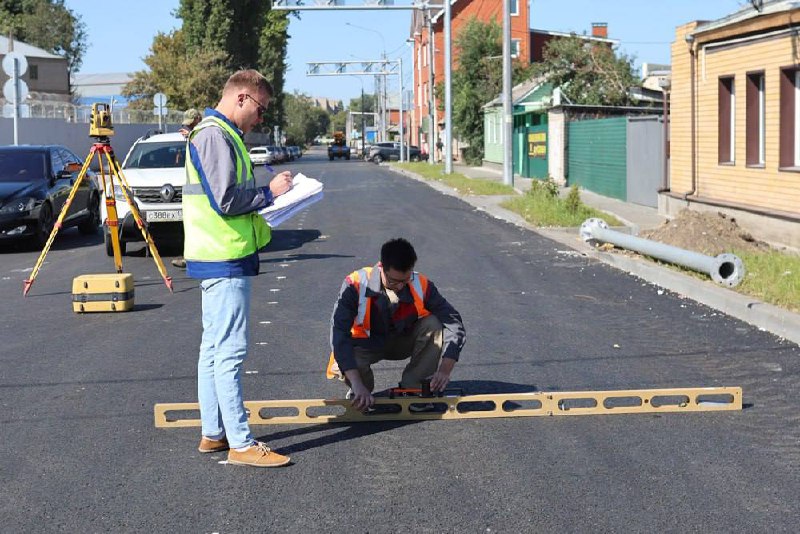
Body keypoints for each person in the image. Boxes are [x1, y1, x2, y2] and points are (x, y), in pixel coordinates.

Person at [183, 69, 294, 468]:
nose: (260, 118)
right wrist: (270, 193)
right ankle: (241, 444)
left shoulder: (220, 133)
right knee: (229, 351)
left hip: (219, 255)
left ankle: (214, 433)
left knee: (213, 349)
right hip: (223, 257)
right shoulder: (214, 134)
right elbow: (226, 200)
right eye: (260, 109)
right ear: (243, 98)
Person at [329, 238, 466, 412]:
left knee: (434, 324)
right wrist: (356, 383)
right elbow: (339, 334)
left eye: (405, 280)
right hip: (365, 344)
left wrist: (445, 369)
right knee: (349, 363)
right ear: (381, 268)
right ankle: (360, 390)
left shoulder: (421, 284)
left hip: (402, 341)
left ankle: (414, 389)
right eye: (393, 281)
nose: (400, 286)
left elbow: (453, 321)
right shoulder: (355, 284)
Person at [172, 108, 203, 269]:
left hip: (202, 196)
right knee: (193, 230)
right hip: (193, 196)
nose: (189, 128)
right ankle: (190, 257)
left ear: (198, 120)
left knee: (201, 230)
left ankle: (194, 258)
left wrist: (191, 136)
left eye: (191, 125)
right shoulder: (193, 136)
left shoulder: (202, 134)